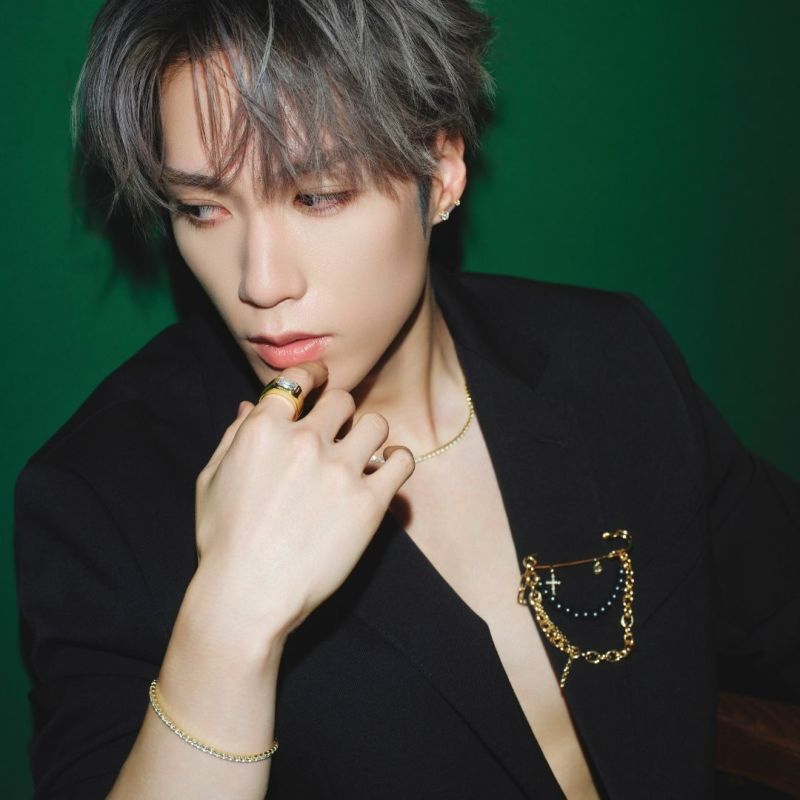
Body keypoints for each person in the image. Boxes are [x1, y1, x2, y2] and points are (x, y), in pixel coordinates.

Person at [13, 1, 800, 798]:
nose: (261, 281)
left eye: (317, 195)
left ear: (442, 170)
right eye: (202, 209)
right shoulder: (102, 495)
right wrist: (230, 621)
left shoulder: (609, 361)